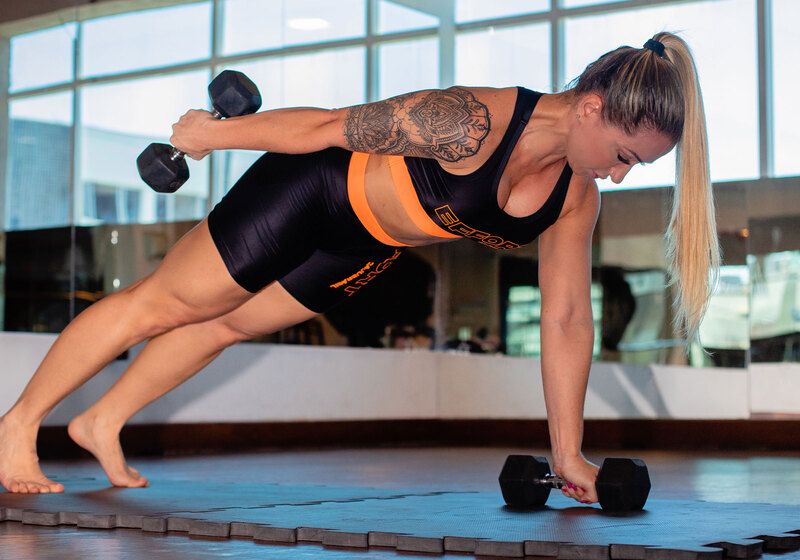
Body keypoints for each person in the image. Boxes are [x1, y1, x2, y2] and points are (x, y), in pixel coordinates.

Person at [0, 32, 720, 507]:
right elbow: (324, 126)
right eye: (626, 155)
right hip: (312, 189)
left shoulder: (575, 197)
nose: (621, 176)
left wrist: (569, 455)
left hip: (366, 245)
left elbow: (566, 320)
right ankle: (19, 424)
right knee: (165, 304)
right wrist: (215, 136)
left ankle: (102, 420)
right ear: (593, 107)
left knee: (224, 328)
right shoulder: (469, 120)